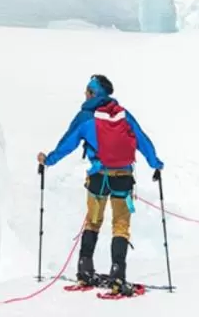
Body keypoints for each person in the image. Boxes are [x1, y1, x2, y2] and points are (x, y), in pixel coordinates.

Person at [37, 74, 164, 296]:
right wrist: (155, 164)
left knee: (93, 222)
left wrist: (48, 160)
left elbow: (67, 144)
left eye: (87, 90)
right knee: (121, 225)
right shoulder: (124, 115)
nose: (84, 94)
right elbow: (142, 140)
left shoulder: (85, 117)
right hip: (123, 177)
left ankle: (85, 270)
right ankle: (117, 275)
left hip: (97, 177)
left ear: (93, 93)